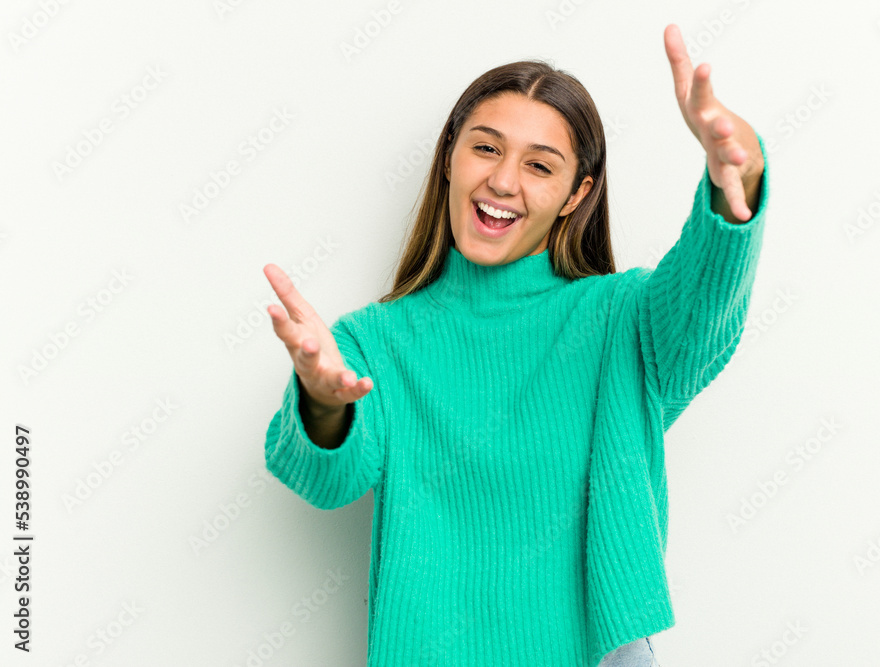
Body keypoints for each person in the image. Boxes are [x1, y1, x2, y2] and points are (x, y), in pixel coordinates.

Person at [262, 24, 768, 667]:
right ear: (450, 156)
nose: (503, 181)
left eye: (539, 165)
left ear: (576, 194)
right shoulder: (374, 342)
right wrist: (324, 405)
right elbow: (329, 480)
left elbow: (703, 299)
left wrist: (736, 185)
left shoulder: (619, 320)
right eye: (485, 148)